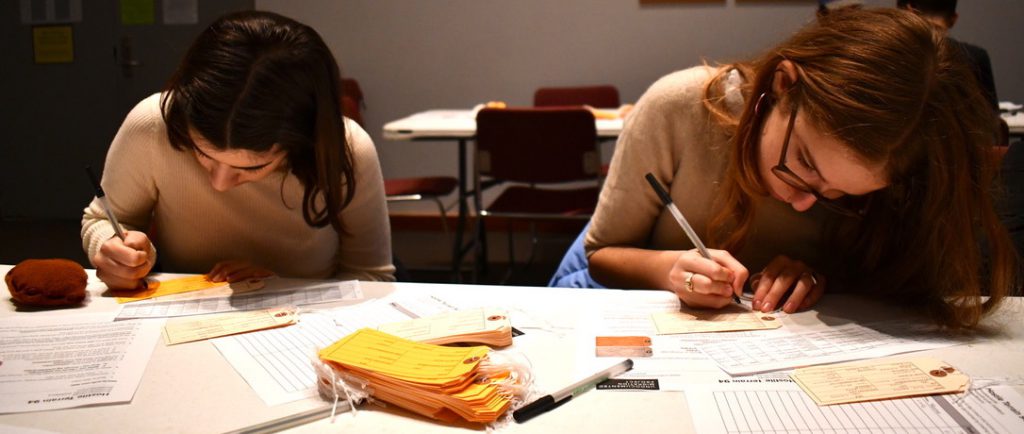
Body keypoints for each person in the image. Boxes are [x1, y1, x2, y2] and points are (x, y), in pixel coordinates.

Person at [575, 8, 1017, 329]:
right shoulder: (678, 107)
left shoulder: (903, 173)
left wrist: (819, 277)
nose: (804, 203)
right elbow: (601, 255)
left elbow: (892, 280)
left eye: (843, 196)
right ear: (783, 85)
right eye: (803, 162)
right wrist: (671, 270)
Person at [82, 11, 395, 289]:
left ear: (301, 141)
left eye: (252, 168)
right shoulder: (153, 125)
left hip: (306, 329)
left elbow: (372, 277)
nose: (219, 184)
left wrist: (279, 289)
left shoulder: (346, 148)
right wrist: (114, 248)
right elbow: (101, 218)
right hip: (186, 316)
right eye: (202, 154)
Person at [897, 0, 998, 112]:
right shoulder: (975, 57)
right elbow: (991, 118)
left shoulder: (896, 54)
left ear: (910, 10)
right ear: (953, 19)